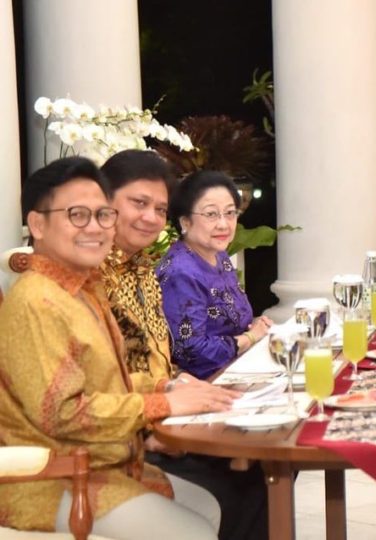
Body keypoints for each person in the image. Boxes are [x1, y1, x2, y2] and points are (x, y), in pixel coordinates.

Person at [0, 157, 234, 539]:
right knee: (194, 531)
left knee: (208, 505)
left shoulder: (81, 290)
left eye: (103, 215)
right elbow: (63, 413)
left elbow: (106, 381)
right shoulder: (36, 301)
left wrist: (167, 387)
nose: (95, 228)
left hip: (105, 464)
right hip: (54, 479)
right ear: (38, 224)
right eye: (77, 215)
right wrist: (162, 405)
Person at [99, 150, 269, 540]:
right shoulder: (90, 278)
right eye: (138, 203)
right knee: (242, 485)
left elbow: (160, 359)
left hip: (162, 414)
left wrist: (180, 389)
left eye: (158, 208)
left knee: (260, 469)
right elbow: (92, 388)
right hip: (126, 438)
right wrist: (158, 420)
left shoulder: (141, 270)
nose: (150, 217)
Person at [157, 170, 273, 380]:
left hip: (238, 370)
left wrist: (259, 326)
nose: (223, 224)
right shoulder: (181, 272)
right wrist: (251, 337)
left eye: (230, 213)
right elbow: (192, 351)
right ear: (185, 222)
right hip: (205, 385)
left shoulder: (218, 256)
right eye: (211, 214)